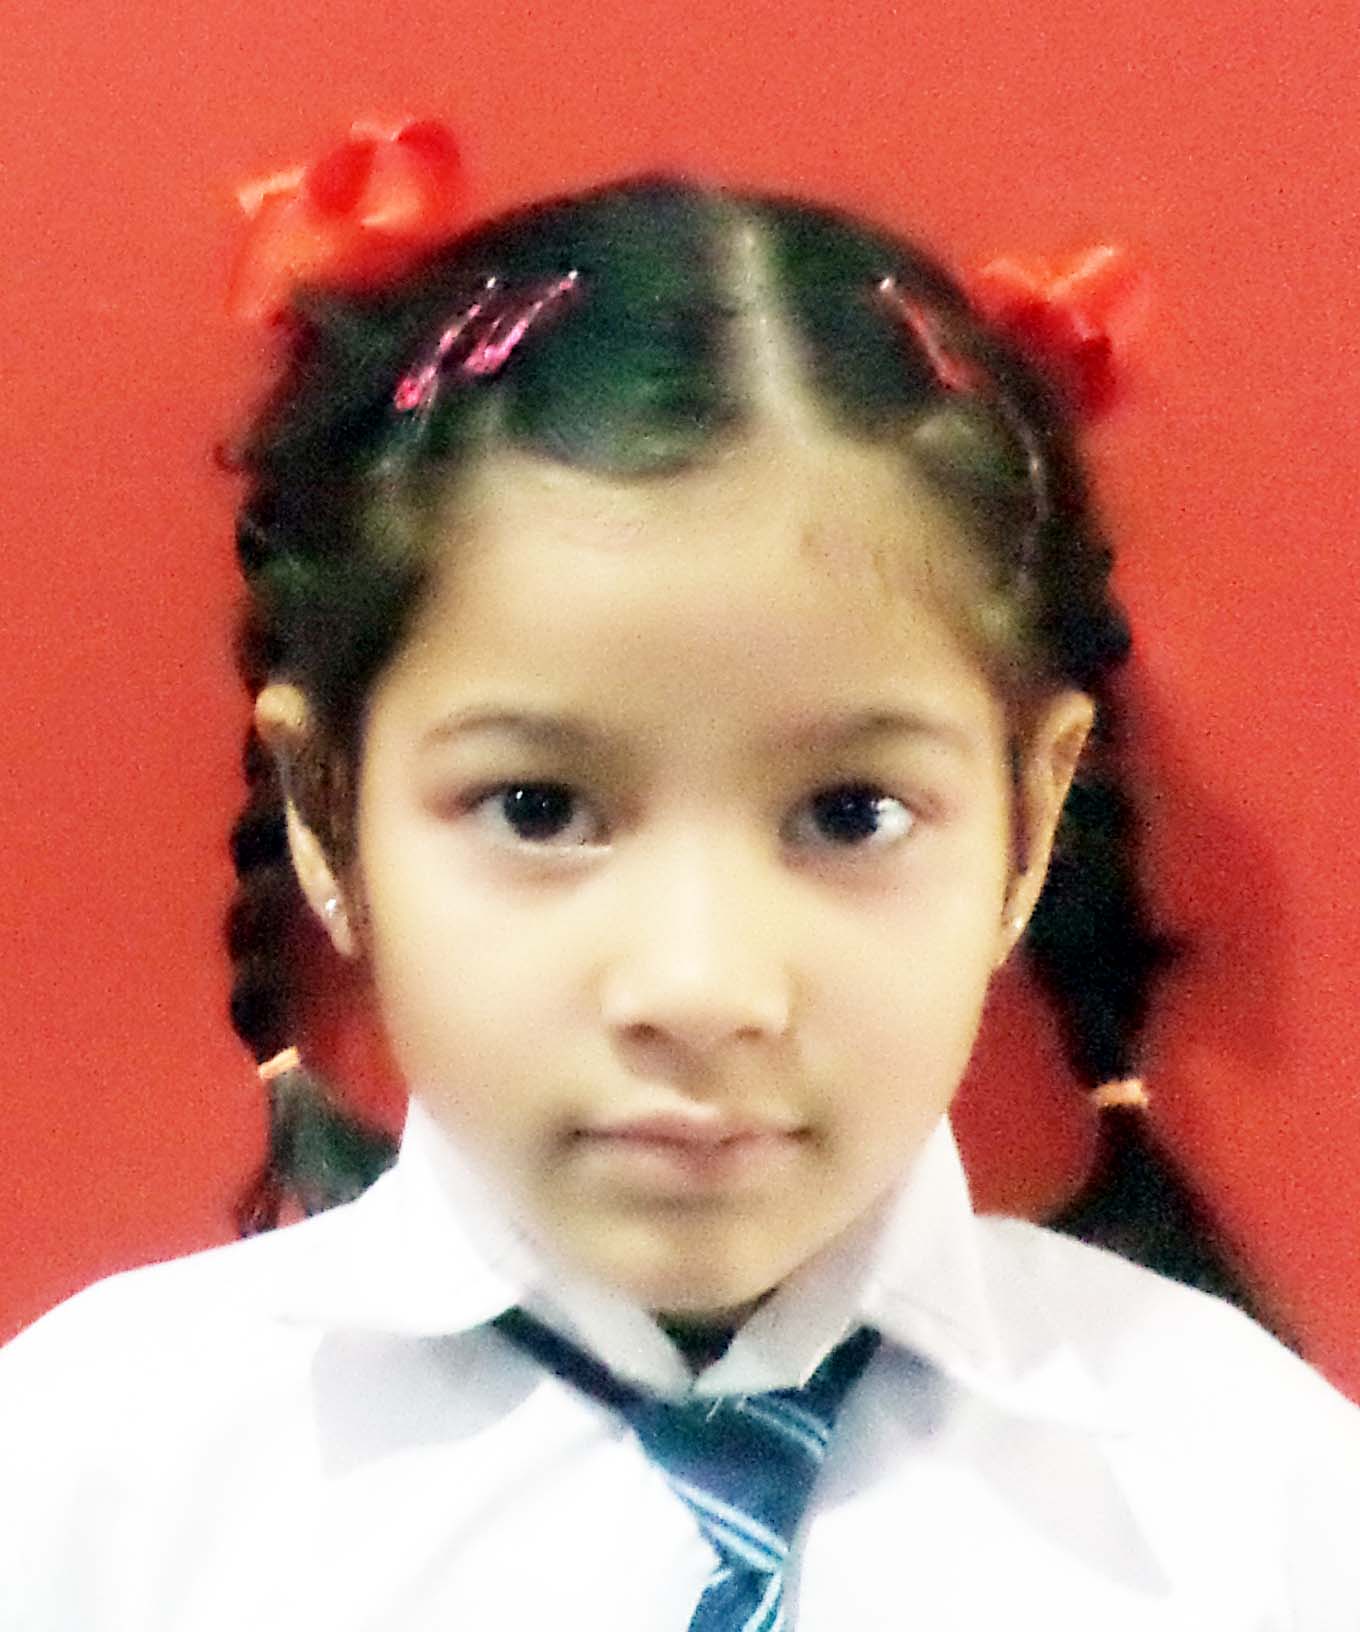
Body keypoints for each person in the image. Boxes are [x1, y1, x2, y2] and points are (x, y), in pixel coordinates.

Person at [3, 130, 1358, 1628]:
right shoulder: (93, 1490)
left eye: (851, 815)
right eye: (538, 809)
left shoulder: (1248, 1501)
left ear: (1028, 826)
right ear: (326, 810)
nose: (700, 986)